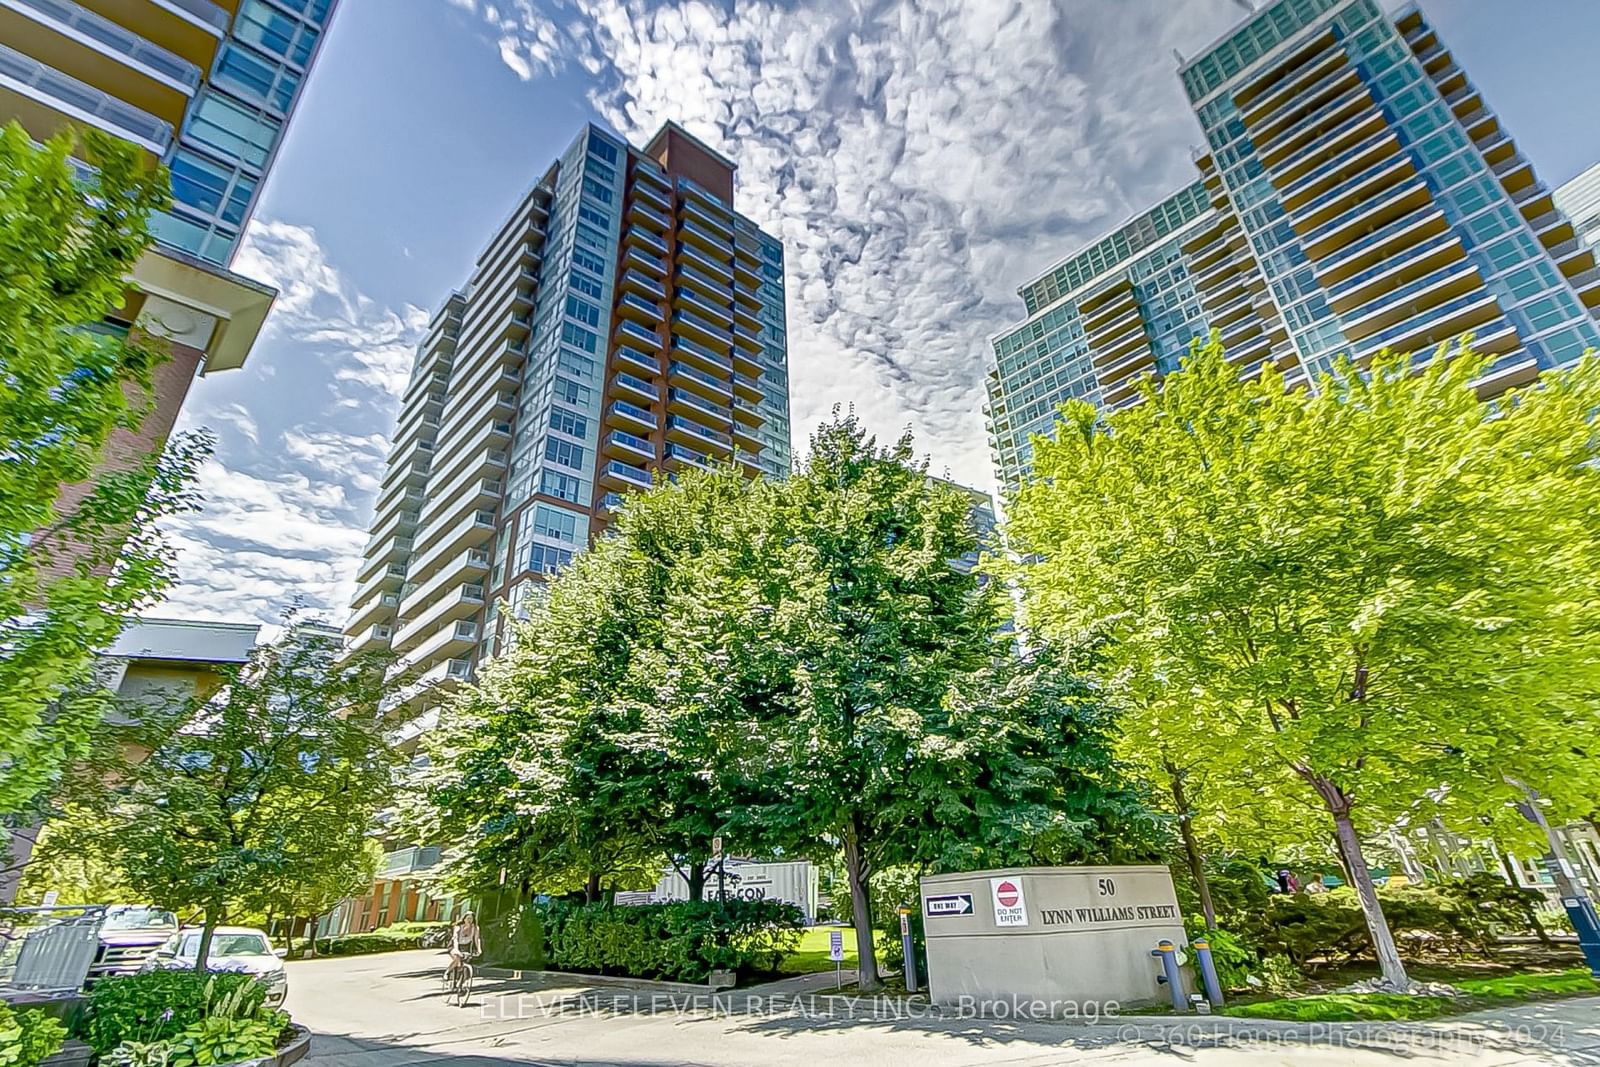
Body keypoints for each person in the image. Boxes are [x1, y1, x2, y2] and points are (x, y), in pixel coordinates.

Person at [446, 912, 480, 980]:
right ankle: (447, 972)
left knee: (465, 962)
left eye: (471, 918)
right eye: (468, 918)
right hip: (454, 945)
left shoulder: (475, 928)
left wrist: (479, 949)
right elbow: (455, 938)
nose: (469, 920)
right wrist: (456, 949)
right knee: (457, 959)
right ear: (464, 919)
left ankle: (462, 980)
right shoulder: (458, 927)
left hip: (466, 946)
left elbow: (477, 939)